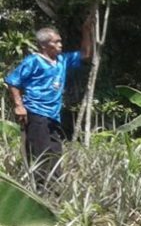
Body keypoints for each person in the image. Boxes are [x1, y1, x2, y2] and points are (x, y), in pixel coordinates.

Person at [6, 18, 94, 190]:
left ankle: (55, 192)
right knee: (41, 153)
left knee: (55, 152)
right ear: (44, 45)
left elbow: (85, 54)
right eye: (56, 42)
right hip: (36, 112)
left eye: (60, 41)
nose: (60, 44)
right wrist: (19, 105)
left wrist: (86, 31)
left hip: (53, 115)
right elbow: (13, 82)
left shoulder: (62, 61)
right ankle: (40, 192)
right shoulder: (33, 61)